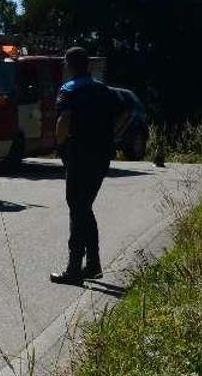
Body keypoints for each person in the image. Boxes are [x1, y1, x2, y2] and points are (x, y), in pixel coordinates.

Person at [50, 47, 124, 285]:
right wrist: (111, 136)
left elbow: (63, 121)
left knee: (77, 207)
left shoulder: (69, 90)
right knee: (84, 206)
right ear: (88, 66)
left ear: (68, 66)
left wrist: (59, 145)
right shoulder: (104, 90)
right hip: (102, 156)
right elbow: (122, 114)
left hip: (79, 154)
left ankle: (74, 268)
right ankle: (92, 264)